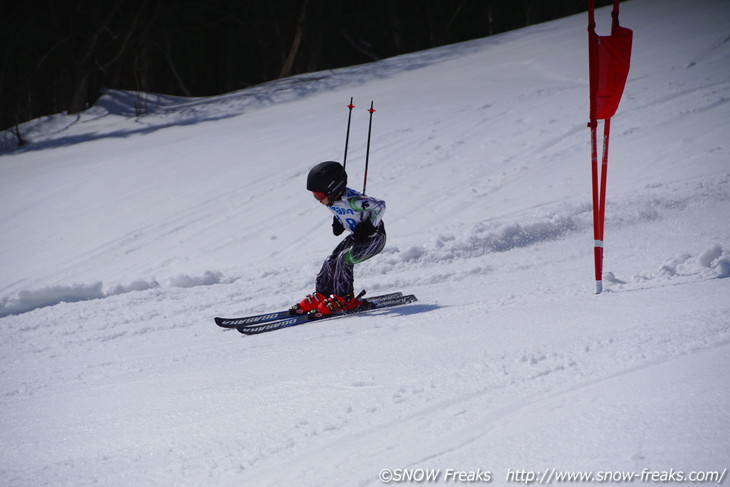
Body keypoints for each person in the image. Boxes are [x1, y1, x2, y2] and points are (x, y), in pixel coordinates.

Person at [291, 161, 387, 317]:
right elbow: (341, 210)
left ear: (333, 189)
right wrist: (339, 220)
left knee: (345, 259)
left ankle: (346, 299)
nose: (318, 199)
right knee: (332, 260)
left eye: (319, 195)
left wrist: (370, 225)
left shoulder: (354, 201)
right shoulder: (332, 199)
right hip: (357, 237)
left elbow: (380, 206)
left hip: (374, 238)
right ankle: (323, 294)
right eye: (314, 195)